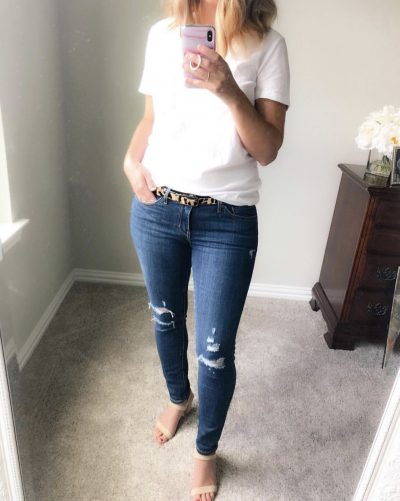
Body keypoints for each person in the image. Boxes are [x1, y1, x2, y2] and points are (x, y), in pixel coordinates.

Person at [123, 0, 290, 499]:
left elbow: (267, 149)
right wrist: (130, 161)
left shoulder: (269, 46)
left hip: (227, 219)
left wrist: (229, 90)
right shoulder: (162, 34)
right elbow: (149, 118)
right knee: (164, 318)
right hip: (156, 207)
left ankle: (205, 451)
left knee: (215, 352)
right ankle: (179, 397)